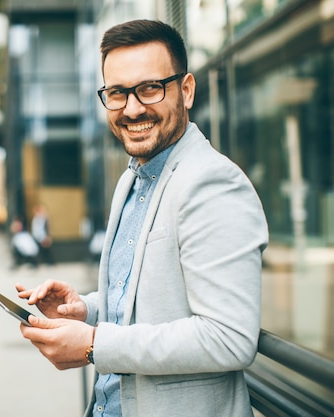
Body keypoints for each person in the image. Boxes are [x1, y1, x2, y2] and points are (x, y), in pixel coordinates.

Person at [16, 19, 268, 417]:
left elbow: (228, 337)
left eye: (150, 88)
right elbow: (153, 304)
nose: (132, 109)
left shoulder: (212, 183)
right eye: (117, 93)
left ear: (185, 90)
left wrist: (94, 343)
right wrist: (86, 310)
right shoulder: (132, 180)